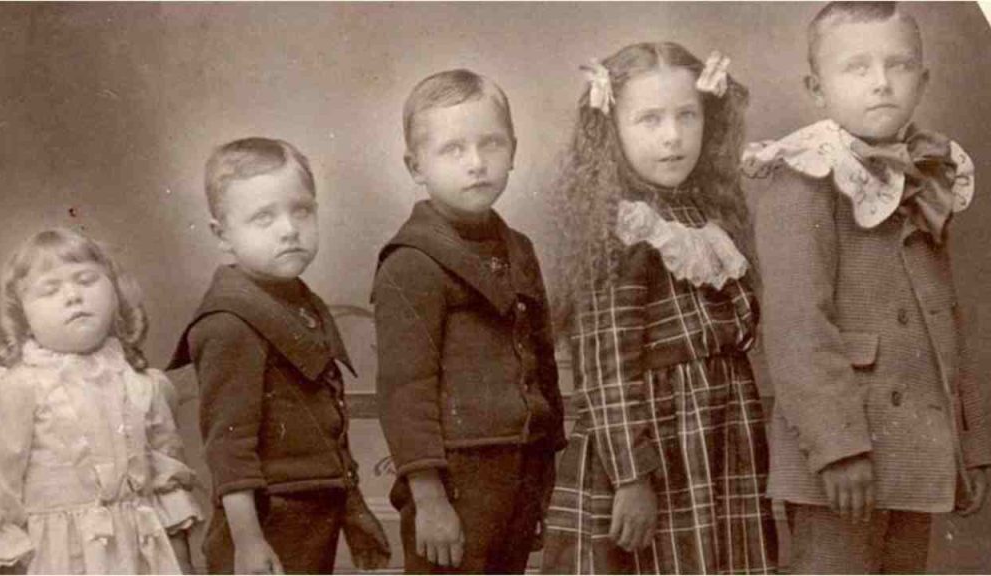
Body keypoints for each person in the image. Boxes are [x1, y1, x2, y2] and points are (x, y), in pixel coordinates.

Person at [745, 2, 990, 572]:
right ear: (817, 88)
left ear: (922, 80)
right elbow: (797, 331)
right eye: (857, 67)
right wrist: (838, 447)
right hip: (842, 457)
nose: (881, 82)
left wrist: (971, 445)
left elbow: (947, 322)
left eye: (898, 65)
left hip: (917, 451)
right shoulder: (801, 183)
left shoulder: (927, 177)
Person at [540, 42, 777, 574]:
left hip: (718, 429)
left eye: (686, 116)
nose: (672, 136)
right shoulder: (623, 225)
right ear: (611, 129)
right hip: (653, 439)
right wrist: (630, 475)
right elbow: (605, 369)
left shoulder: (707, 212)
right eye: (649, 119)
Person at [372, 69, 567, 574]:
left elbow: (543, 366)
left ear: (514, 150)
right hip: (453, 479)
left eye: (491, 144)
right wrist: (429, 498)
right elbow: (405, 390)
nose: (476, 163)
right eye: (452, 149)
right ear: (416, 166)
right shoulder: (411, 261)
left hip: (522, 469)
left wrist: (546, 473)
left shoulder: (518, 249)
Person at [168, 137, 388, 574]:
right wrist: (249, 542)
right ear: (222, 235)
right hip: (265, 522)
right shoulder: (229, 322)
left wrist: (355, 511)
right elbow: (229, 449)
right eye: (263, 217)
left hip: (314, 511)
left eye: (301, 210)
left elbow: (328, 428)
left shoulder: (299, 303)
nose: (289, 229)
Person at [0, 228, 202, 574]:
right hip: (56, 559)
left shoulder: (141, 384)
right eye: (50, 289)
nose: (73, 296)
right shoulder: (16, 388)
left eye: (86, 280)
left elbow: (166, 484)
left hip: (142, 556)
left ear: (115, 294)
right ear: (22, 317)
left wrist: (181, 564)